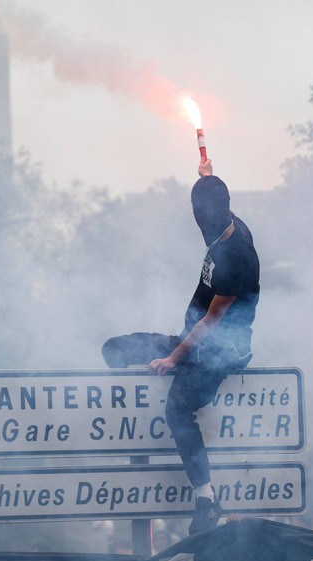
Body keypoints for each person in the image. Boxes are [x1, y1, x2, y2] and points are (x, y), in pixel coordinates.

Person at [102, 158, 260, 535]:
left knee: (177, 411)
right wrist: (207, 178)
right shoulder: (228, 225)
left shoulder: (236, 256)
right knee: (117, 350)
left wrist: (172, 358)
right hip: (196, 339)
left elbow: (212, 321)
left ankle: (206, 499)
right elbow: (216, 199)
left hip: (221, 352)